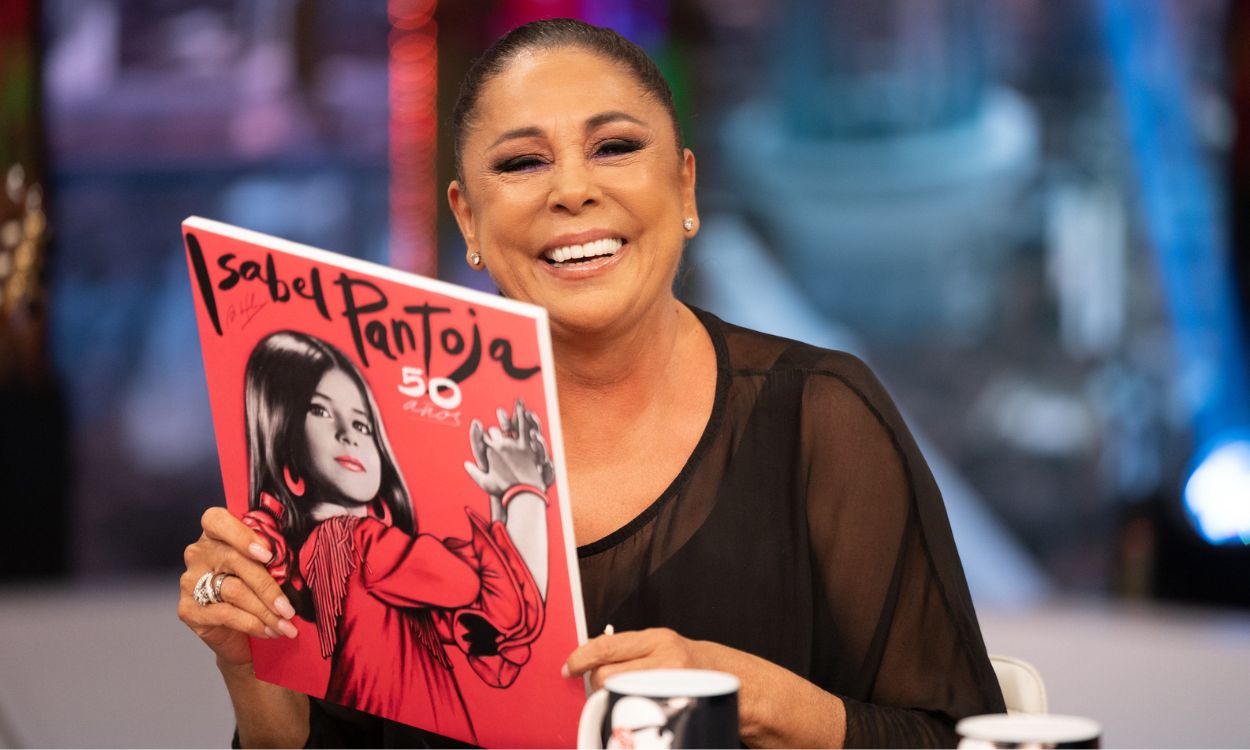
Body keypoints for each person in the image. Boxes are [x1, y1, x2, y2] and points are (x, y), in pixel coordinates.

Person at [179, 17, 1006, 748]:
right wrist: (254, 674)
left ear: (685, 185)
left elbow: (956, 740)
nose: (573, 190)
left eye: (615, 147)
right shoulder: (383, 453)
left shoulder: (818, 415)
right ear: (467, 219)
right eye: (522, 162)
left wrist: (756, 704)